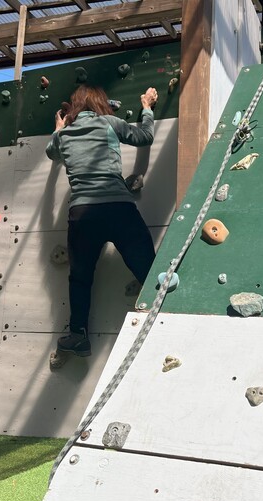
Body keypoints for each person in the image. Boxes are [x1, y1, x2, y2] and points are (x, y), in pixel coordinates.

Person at [46, 85, 159, 357]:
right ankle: (167, 317)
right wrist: (146, 108)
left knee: (80, 277)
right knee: (148, 270)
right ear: (100, 103)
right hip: (118, 208)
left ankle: (78, 336)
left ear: (74, 107)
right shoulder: (109, 122)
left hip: (82, 214)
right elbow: (145, 137)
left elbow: (52, 153)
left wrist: (59, 129)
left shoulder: (64, 135)